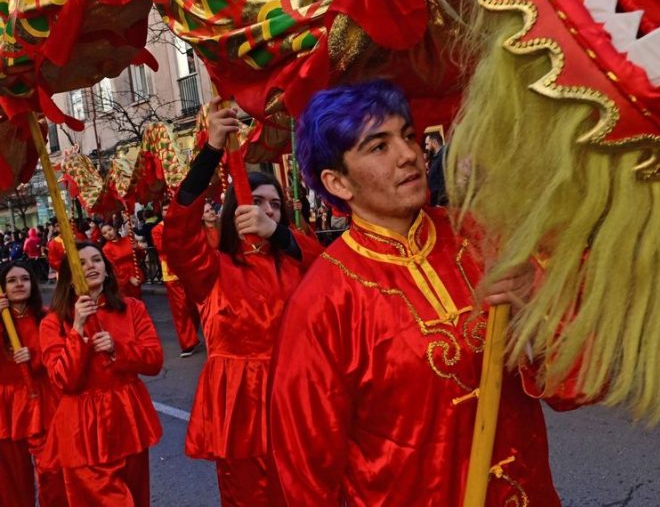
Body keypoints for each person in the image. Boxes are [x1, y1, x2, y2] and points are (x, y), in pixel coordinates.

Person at [271, 80, 574, 506]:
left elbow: (571, 385)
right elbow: (306, 472)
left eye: (408, 135)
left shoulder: (481, 237)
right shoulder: (322, 301)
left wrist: (537, 306)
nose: (408, 154)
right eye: (379, 146)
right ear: (338, 182)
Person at [162, 98, 321, 507]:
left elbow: (328, 266)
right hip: (240, 410)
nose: (267, 209)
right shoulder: (213, 268)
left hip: (298, 398)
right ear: (236, 210)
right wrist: (212, 147)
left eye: (275, 204)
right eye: (259, 202)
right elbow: (178, 233)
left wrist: (278, 234)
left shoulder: (295, 259)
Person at [41, 243, 163, 505]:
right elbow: (64, 381)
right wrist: (77, 330)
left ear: (107, 271)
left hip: (127, 418)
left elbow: (153, 360)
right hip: (81, 428)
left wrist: (119, 350)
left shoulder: (132, 308)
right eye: (81, 263)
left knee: (137, 495)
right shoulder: (53, 322)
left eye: (96, 260)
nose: (90, 266)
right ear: (69, 277)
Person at [0, 261, 66, 506]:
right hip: (6, 406)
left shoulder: (48, 316)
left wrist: (34, 355)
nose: (19, 284)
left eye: (24, 279)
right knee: (10, 478)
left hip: (42, 398)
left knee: (53, 470)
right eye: (12, 280)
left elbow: (59, 353)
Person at [151, 221, 201, 358]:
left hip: (188, 268)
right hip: (171, 272)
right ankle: (187, 342)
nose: (168, 212)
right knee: (180, 309)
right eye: (165, 209)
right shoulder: (157, 229)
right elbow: (162, 248)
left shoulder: (183, 224)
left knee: (194, 305)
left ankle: (193, 334)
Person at [100, 222, 142, 299]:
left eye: (109, 230)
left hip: (135, 272)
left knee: (138, 298)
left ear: (115, 229)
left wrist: (137, 248)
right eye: (105, 233)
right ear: (103, 236)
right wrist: (129, 278)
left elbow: (140, 256)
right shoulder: (106, 249)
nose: (108, 233)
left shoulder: (128, 240)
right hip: (122, 278)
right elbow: (113, 267)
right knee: (128, 301)